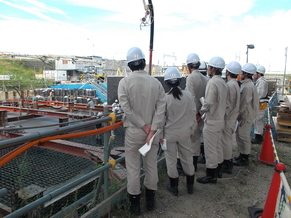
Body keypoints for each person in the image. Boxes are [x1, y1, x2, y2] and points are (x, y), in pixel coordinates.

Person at [118, 47, 166, 215]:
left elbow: (126, 109)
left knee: (133, 167)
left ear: (129, 64)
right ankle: (151, 201)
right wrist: (152, 129)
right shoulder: (156, 83)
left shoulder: (124, 82)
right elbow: (161, 108)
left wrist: (141, 124)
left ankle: (135, 205)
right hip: (152, 134)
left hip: (134, 131)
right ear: (144, 63)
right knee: (151, 164)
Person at [161, 67, 196, 196]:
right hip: (185, 133)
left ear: (167, 83)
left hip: (169, 134)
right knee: (187, 158)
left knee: (171, 160)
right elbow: (193, 114)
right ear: (180, 81)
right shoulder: (188, 96)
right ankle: (190, 186)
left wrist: (160, 135)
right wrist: (192, 129)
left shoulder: (165, 98)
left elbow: (161, 119)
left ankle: (174, 186)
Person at [196, 56, 226, 184]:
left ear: (213, 68)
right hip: (220, 119)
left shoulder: (213, 82)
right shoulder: (222, 82)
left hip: (212, 120)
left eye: (209, 67)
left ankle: (211, 175)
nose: (208, 69)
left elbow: (208, 102)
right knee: (218, 146)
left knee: (210, 149)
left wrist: (201, 110)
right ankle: (218, 169)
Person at [185, 53, 208, 171]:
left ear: (188, 66)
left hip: (193, 114)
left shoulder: (190, 78)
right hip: (202, 113)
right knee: (197, 139)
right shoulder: (205, 78)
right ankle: (194, 166)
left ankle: (191, 167)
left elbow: (191, 98)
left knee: (191, 140)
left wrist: (194, 115)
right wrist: (200, 114)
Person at [233, 63, 259, 166]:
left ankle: (245, 158)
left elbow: (244, 102)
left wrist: (238, 113)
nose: (240, 74)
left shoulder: (248, 87)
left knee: (243, 136)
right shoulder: (246, 84)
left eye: (242, 72)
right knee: (239, 135)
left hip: (246, 115)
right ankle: (242, 154)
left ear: (246, 74)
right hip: (247, 113)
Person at [221, 61, 241, 175]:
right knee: (227, 140)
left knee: (226, 141)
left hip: (228, 118)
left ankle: (227, 163)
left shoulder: (230, 85)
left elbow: (228, 104)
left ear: (228, 72)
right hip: (232, 117)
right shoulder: (235, 84)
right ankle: (227, 161)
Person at [251, 65, 268, 144]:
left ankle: (258, 137)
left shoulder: (261, 82)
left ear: (259, 73)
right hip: (261, 103)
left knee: (258, 120)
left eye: (255, 73)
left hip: (261, 103)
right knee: (257, 120)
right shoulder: (261, 81)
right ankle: (258, 136)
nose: (253, 74)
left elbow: (259, 94)